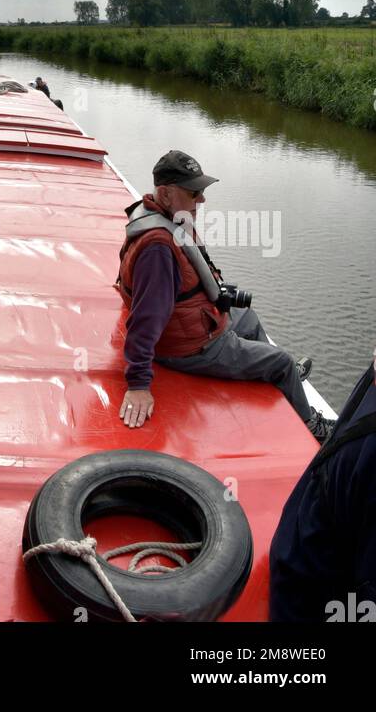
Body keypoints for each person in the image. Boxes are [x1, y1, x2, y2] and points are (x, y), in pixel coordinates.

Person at [116, 149, 333, 441]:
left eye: (202, 191)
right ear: (165, 194)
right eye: (194, 193)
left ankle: (274, 372)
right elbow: (145, 320)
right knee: (280, 361)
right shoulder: (157, 250)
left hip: (194, 323)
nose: (202, 200)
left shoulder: (163, 216)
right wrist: (138, 384)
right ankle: (312, 428)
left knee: (247, 317)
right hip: (189, 347)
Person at [269, 355, 376, 621]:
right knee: (279, 361)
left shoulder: (370, 386)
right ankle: (308, 420)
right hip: (312, 600)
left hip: (297, 553)